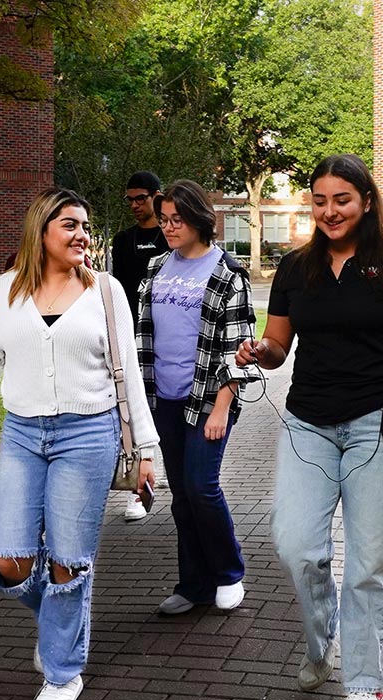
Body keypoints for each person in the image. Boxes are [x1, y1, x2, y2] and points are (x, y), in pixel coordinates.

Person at [235, 154, 383, 700]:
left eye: (342, 199)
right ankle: (322, 639)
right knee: (297, 548)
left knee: (367, 561)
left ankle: (363, 681)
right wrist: (261, 352)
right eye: (321, 199)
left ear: (366, 202)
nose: (330, 210)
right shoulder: (294, 268)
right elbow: (278, 344)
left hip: (379, 422)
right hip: (308, 421)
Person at [0, 188, 159, 700]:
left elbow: (130, 374)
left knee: (68, 562)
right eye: (70, 225)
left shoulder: (106, 291)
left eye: (85, 225)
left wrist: (147, 453)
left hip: (88, 434)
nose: (82, 235)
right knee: (9, 563)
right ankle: (59, 623)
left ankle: (63, 670)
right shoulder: (1, 293)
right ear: (40, 230)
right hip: (22, 435)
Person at [137, 180, 258, 616]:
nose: (168, 227)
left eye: (177, 220)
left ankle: (229, 573)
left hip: (207, 399)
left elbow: (238, 348)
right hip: (162, 399)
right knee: (182, 495)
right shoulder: (155, 268)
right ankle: (194, 584)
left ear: (198, 219)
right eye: (164, 219)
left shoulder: (226, 272)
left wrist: (221, 407)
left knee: (201, 487)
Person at [111, 172, 170, 522]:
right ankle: (138, 489)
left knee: (166, 408)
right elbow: (117, 291)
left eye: (141, 198)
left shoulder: (171, 236)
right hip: (131, 337)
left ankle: (163, 471)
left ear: (156, 196)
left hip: (168, 338)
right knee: (132, 411)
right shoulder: (123, 241)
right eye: (130, 200)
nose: (135, 205)